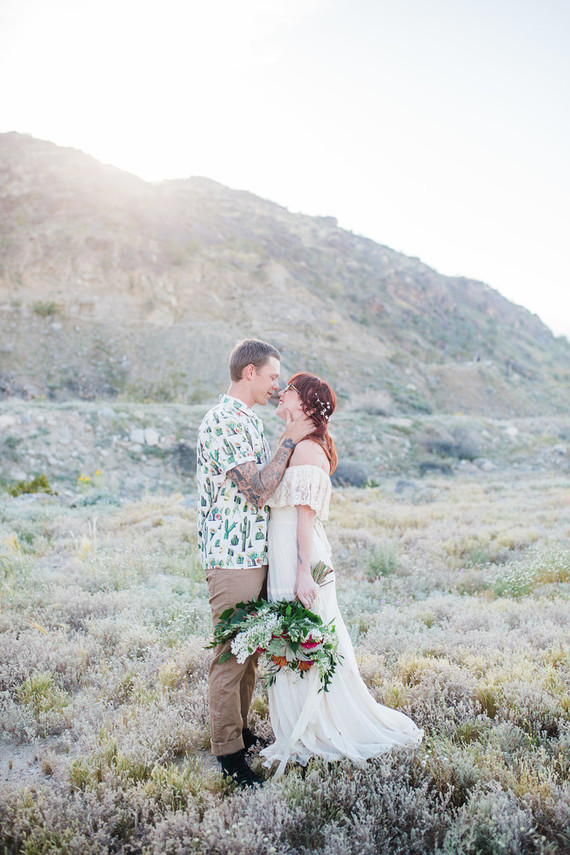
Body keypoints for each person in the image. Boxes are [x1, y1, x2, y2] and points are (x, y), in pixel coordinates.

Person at [260, 373, 423, 776]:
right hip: (285, 553)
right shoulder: (296, 443)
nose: (280, 393)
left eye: (289, 390)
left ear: (306, 404)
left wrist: (303, 574)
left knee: (306, 639)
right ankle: (299, 726)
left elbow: (304, 520)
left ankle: (318, 728)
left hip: (300, 557)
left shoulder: (308, 450)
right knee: (291, 640)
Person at [196, 339, 313, 787]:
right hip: (232, 557)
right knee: (230, 656)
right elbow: (258, 490)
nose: (276, 386)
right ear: (249, 373)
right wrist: (289, 439)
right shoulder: (223, 421)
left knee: (249, 652)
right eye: (271, 376)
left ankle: (241, 732)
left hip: (254, 552)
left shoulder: (247, 420)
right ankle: (228, 754)